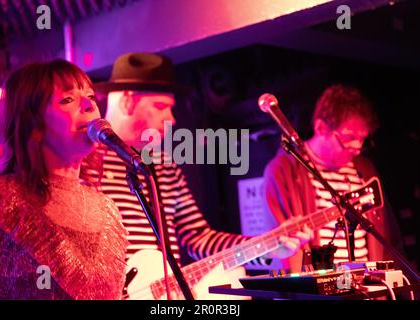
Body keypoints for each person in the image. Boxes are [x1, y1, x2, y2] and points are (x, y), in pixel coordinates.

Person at [91, 52, 312, 299]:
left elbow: (199, 239)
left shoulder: (164, 165)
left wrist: (267, 246)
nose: (171, 118)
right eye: (161, 106)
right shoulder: (85, 162)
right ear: (127, 102)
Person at [0, 60, 128, 300]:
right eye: (67, 99)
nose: (88, 105)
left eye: (91, 97)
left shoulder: (108, 211)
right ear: (34, 124)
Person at [263, 84, 403, 272]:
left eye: (363, 138)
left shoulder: (365, 169)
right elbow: (284, 251)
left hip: (370, 287)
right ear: (321, 128)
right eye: (348, 137)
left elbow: (388, 240)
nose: (357, 146)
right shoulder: (284, 171)